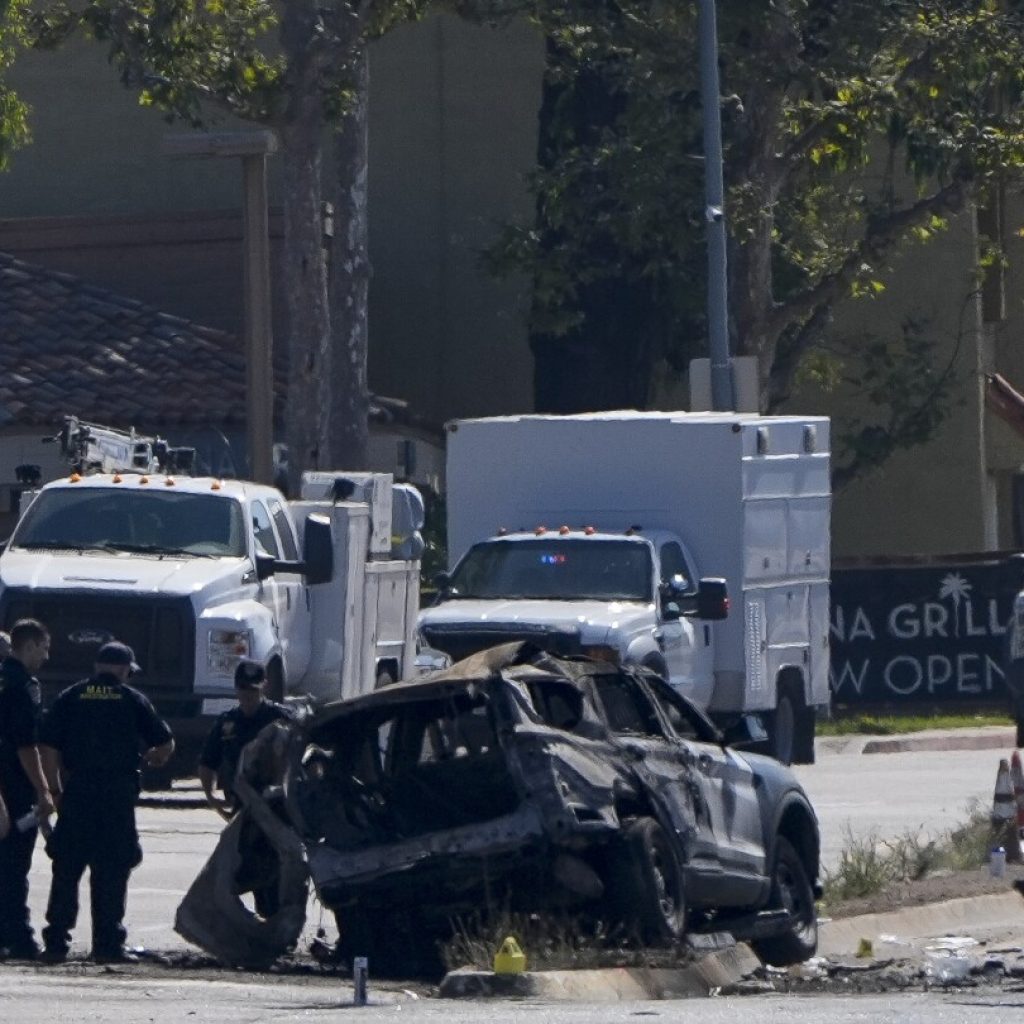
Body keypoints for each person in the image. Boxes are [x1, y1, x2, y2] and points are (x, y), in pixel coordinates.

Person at [38, 641, 174, 964]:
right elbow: (165, 743)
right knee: (112, 869)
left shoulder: (70, 697)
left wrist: (54, 791)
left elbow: (48, 746)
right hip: (116, 797)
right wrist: (154, 758)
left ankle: (56, 942)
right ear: (124, 669)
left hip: (78, 794)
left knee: (67, 868)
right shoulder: (132, 699)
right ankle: (107, 944)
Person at [0, 619, 54, 960]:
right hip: (15, 787)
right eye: (44, 648)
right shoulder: (22, 686)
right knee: (14, 865)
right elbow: (26, 745)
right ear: (29, 646)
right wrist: (44, 789)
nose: (46, 656)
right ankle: (17, 936)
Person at [198, 659, 289, 820]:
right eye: (243, 688)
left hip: (277, 805)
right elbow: (207, 762)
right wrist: (211, 797)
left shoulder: (280, 718)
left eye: (253, 689)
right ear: (236, 688)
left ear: (264, 687)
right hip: (241, 804)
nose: (247, 694)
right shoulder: (227, 722)